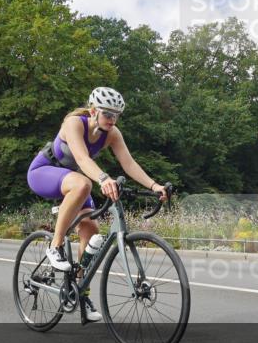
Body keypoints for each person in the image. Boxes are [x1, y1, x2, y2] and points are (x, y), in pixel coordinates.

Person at [26, 87, 169, 323]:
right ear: (93, 111)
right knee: (84, 184)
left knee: (91, 232)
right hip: (44, 172)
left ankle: (79, 292)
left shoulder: (112, 133)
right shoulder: (74, 123)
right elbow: (81, 159)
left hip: (74, 181)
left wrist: (154, 186)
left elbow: (129, 164)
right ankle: (55, 244)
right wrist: (103, 179)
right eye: (108, 114)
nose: (113, 120)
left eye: (117, 115)